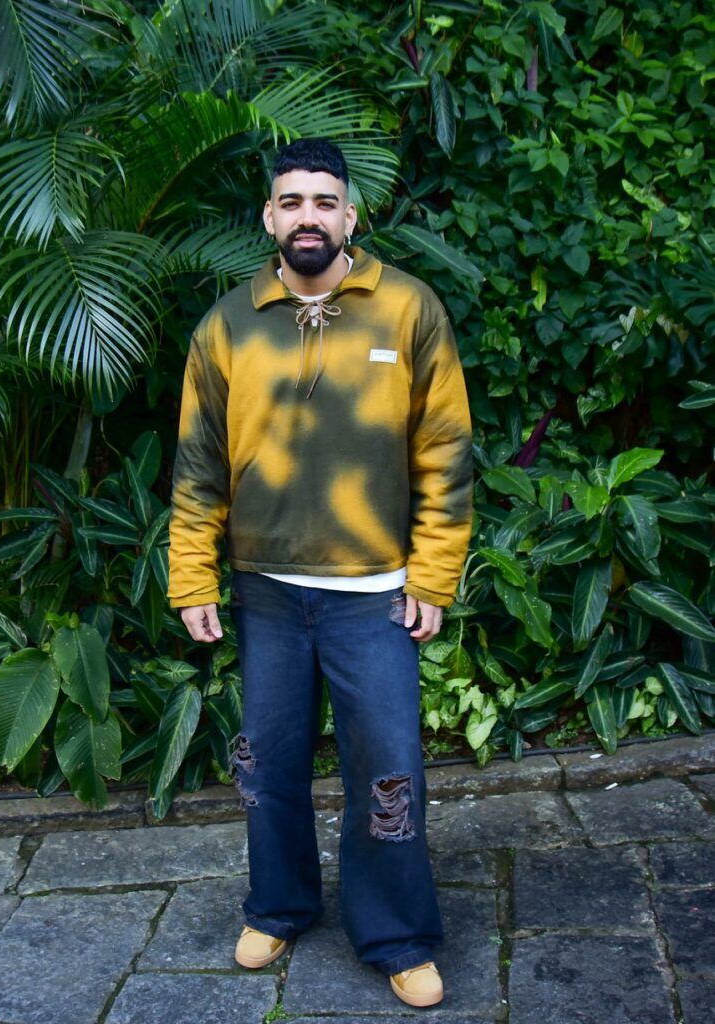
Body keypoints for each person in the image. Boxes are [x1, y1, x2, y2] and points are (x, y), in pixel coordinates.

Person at [167, 137, 472, 1008]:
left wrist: (433, 574)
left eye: (325, 202)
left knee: (389, 770)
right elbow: (197, 466)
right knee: (266, 765)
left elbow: (445, 453)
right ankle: (279, 905)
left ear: (350, 215)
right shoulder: (228, 324)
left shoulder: (407, 309)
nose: (309, 216)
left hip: (373, 595)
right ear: (270, 217)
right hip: (265, 592)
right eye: (292, 202)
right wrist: (193, 576)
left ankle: (397, 934)